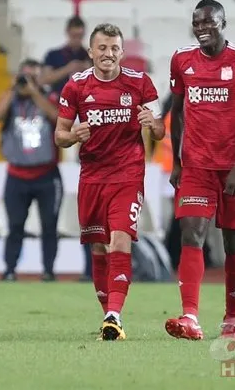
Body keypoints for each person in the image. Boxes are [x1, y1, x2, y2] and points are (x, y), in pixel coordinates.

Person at [165, 0, 235, 341]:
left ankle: (232, 318)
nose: (201, 28)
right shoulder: (182, 60)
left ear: (223, 23)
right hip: (196, 166)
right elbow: (176, 111)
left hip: (233, 168)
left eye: (208, 22)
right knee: (190, 234)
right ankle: (190, 316)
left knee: (231, 238)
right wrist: (179, 161)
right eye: (196, 23)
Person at [55, 23, 164, 341]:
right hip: (92, 177)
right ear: (91, 52)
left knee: (120, 240)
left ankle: (115, 313)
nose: (108, 54)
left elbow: (159, 130)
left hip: (128, 176)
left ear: (122, 52)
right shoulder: (75, 86)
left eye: (114, 48)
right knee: (99, 248)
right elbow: (60, 135)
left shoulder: (140, 83)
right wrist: (74, 135)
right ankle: (108, 316)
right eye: (102, 48)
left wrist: (153, 124)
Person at [0, 59, 62, 282]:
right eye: (25, 76)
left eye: (33, 76)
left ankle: (48, 271)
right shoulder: (11, 99)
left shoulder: (48, 97)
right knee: (15, 226)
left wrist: (34, 92)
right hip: (17, 175)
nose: (27, 81)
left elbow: (56, 116)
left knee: (49, 226)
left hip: (47, 175)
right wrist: (13, 88)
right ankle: (10, 269)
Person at [41, 16, 91, 94]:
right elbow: (44, 79)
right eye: (74, 36)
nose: (77, 39)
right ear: (67, 32)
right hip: (58, 100)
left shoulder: (90, 56)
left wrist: (89, 69)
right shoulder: (53, 55)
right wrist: (68, 69)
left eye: (80, 36)